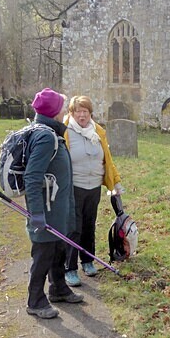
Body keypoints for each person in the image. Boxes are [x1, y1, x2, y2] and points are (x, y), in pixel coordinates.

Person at [24, 87, 83, 319]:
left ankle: (58, 287)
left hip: (57, 208)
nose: (64, 112)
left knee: (58, 248)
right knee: (44, 254)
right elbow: (32, 176)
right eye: (61, 107)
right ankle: (35, 300)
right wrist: (36, 213)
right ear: (54, 112)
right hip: (46, 211)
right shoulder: (45, 136)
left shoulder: (50, 132)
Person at [63, 95, 124, 286]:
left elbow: (107, 158)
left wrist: (115, 182)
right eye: (78, 111)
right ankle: (70, 268)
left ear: (90, 113)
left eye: (86, 111)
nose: (82, 115)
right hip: (73, 187)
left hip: (94, 186)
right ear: (72, 113)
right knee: (74, 228)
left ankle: (87, 261)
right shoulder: (65, 130)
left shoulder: (97, 131)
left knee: (89, 224)